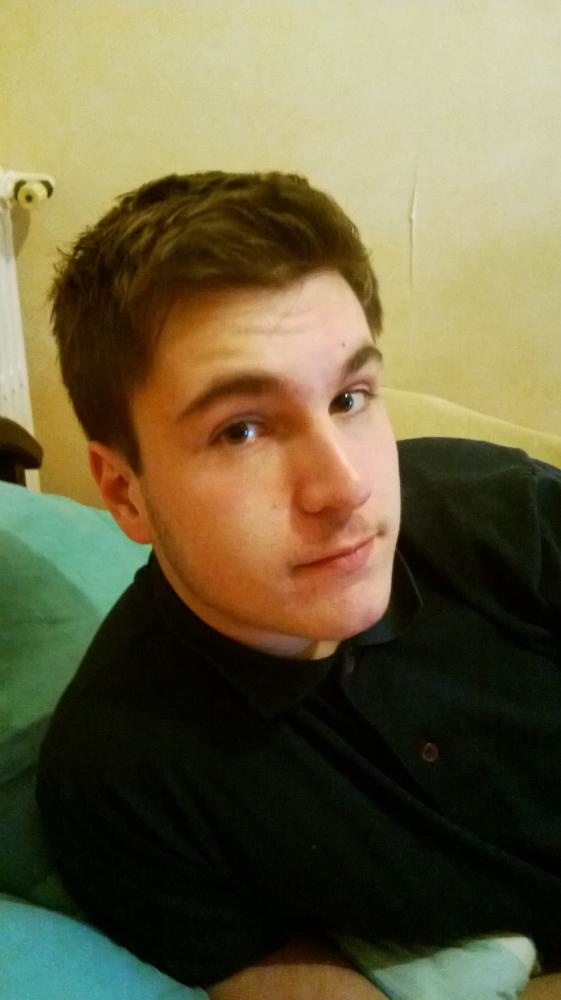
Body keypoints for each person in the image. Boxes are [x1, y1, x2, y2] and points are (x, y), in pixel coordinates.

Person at [36, 171, 561, 999]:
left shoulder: (501, 512)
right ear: (124, 492)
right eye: (241, 429)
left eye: (350, 397)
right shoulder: (124, 780)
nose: (345, 486)